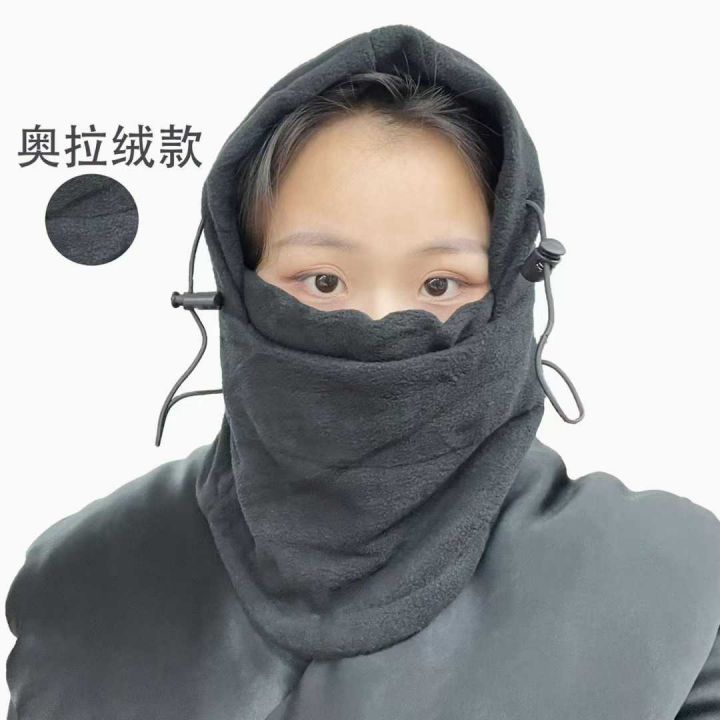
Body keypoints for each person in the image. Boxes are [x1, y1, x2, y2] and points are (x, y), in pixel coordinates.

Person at [5, 23, 720, 720]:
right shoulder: (79, 585)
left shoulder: (672, 595)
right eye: (323, 282)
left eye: (439, 285)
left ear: (514, 287)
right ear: (235, 283)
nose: (379, 324)